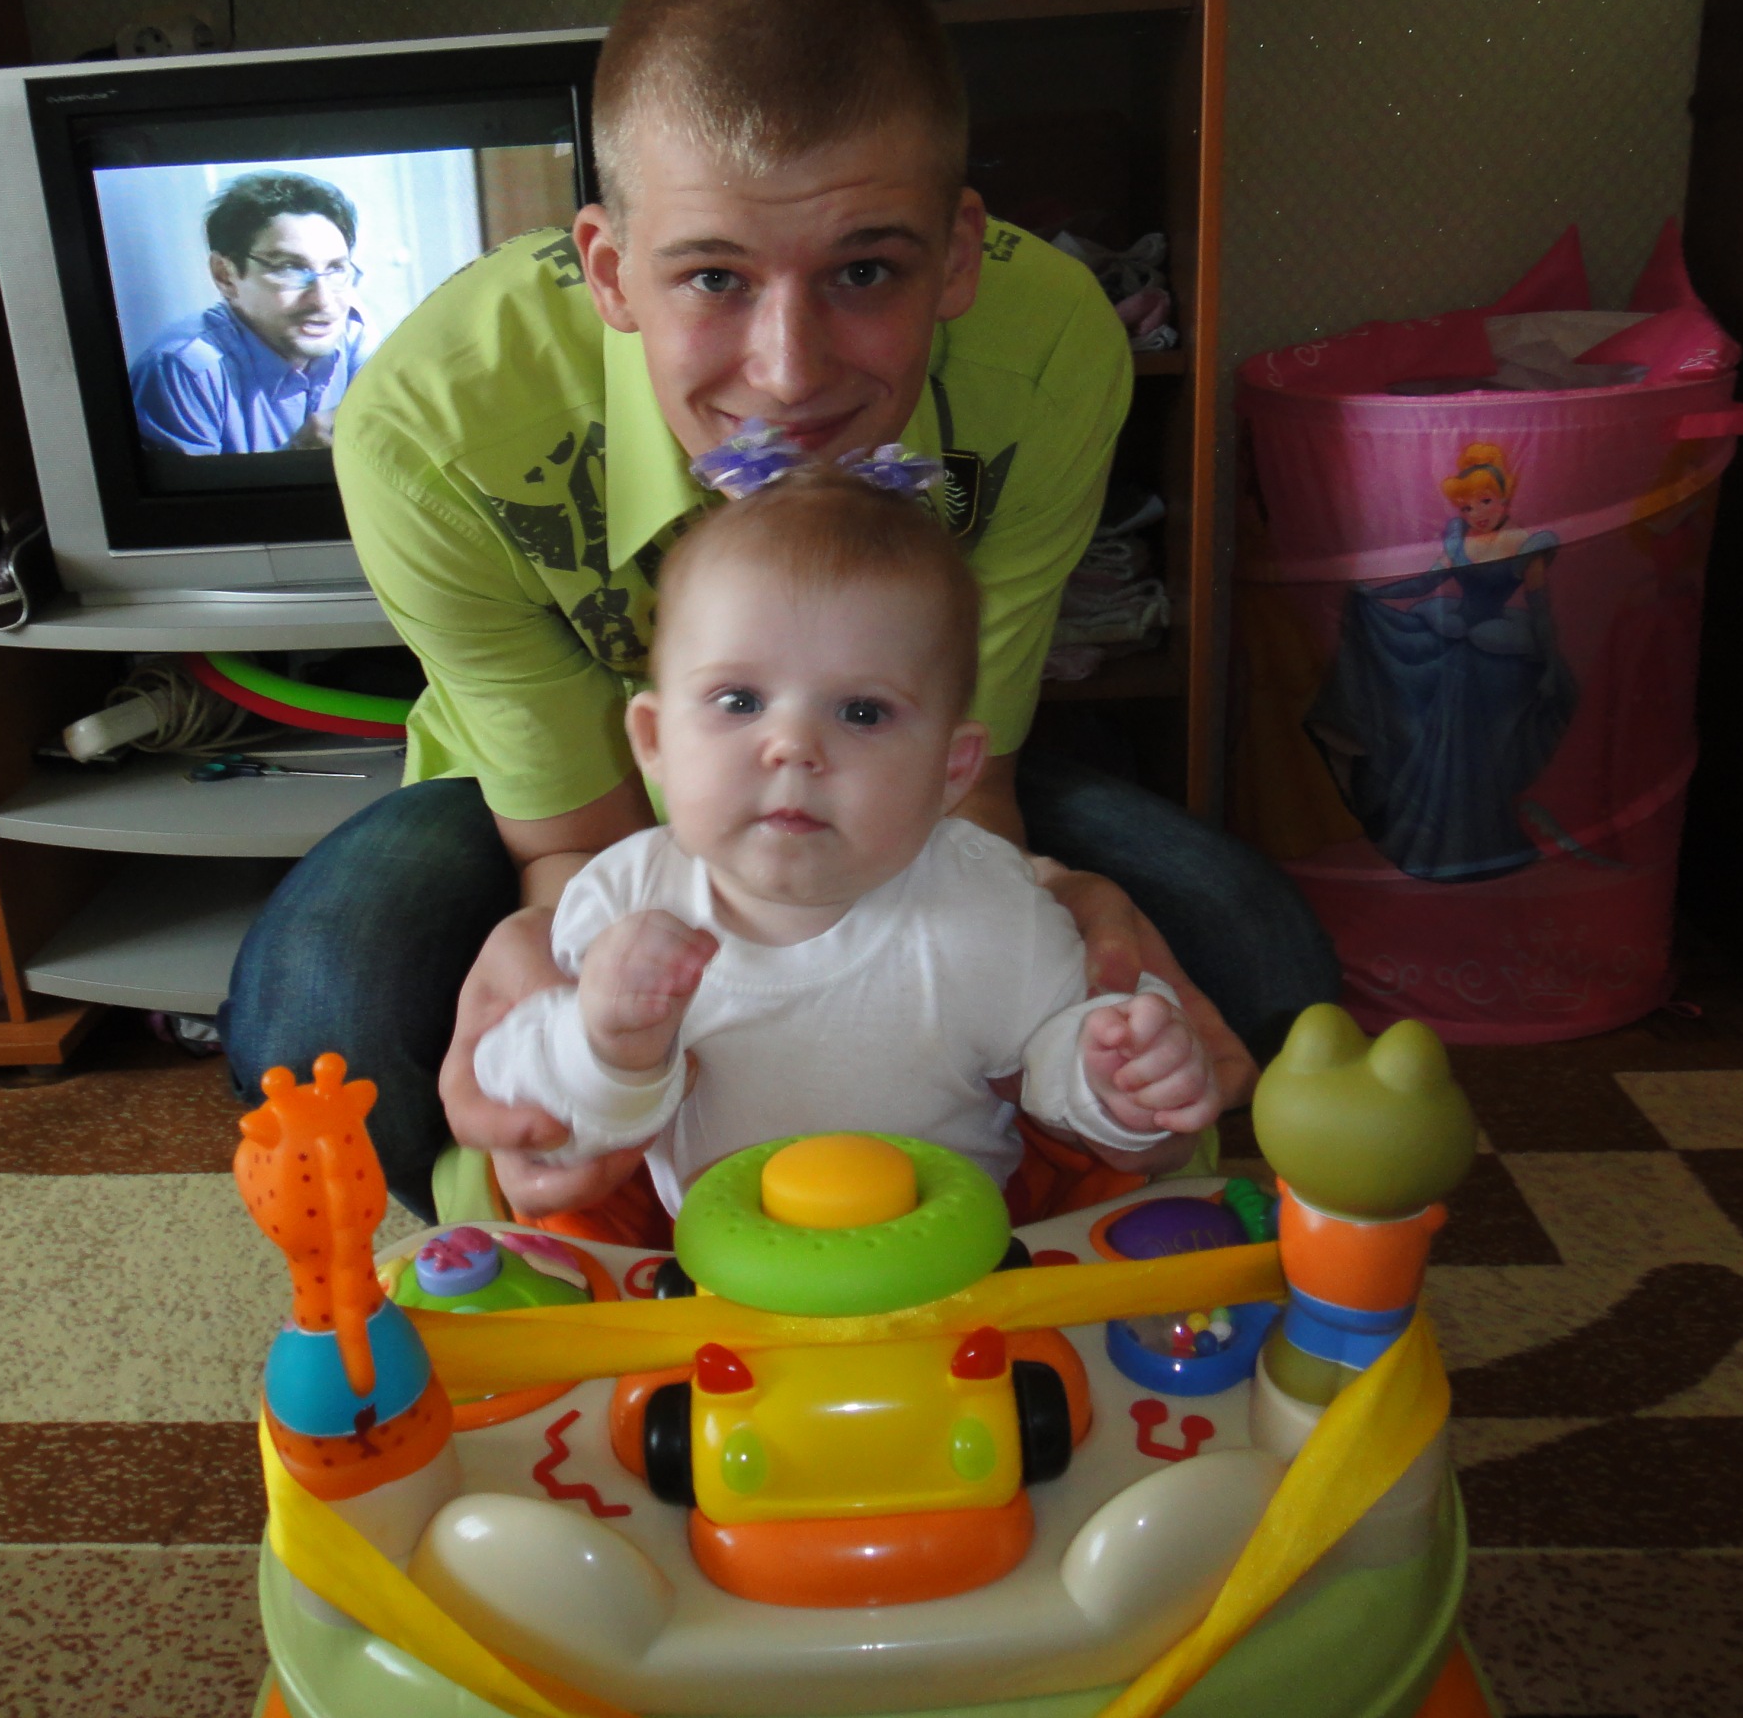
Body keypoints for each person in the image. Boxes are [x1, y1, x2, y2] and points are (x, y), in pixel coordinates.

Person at [222, 0, 1340, 1221]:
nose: (791, 372)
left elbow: (972, 785)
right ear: (610, 271)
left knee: (1261, 976)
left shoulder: (1050, 359)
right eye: (714, 277)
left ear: (958, 256)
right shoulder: (432, 430)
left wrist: (1036, 926)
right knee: (320, 1035)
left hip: (890, 779)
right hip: (558, 813)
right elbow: (573, 842)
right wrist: (563, 967)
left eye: (865, 270)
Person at [470, 465, 1218, 1239]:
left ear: (952, 768)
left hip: (950, 1258)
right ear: (654, 739)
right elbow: (542, 1119)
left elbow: (1063, 1078)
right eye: (739, 701)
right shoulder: (622, 901)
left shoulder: (991, 908)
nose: (793, 745)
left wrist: (1119, 1075)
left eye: (863, 712)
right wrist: (602, 1046)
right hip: (712, 1266)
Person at [1304, 443, 1576, 882]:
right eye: (1467, 506)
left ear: (1504, 499)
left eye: (1485, 501)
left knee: (1481, 745)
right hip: (1458, 638)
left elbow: (1540, 610)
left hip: (1499, 650)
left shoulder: (1526, 544)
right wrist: (1376, 595)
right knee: (1434, 723)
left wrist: (1547, 664)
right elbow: (1427, 582)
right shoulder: (1459, 538)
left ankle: (1478, 837)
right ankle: (1439, 833)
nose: (1477, 513)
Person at [128, 170, 376, 456]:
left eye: (335, 269)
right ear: (225, 276)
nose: (324, 302)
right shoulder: (183, 371)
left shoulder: (352, 336)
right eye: (289, 268)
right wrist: (296, 455)